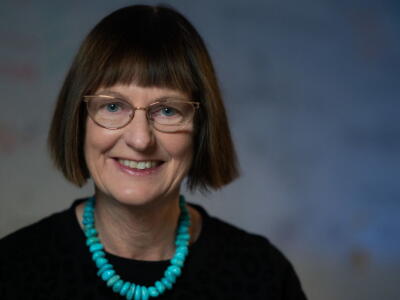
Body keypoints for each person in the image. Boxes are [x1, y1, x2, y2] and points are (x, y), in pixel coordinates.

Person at [0, 4, 307, 300]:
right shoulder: (13, 269)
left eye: (168, 110)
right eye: (112, 106)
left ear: (202, 128)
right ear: (78, 121)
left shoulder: (263, 276)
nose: (140, 139)